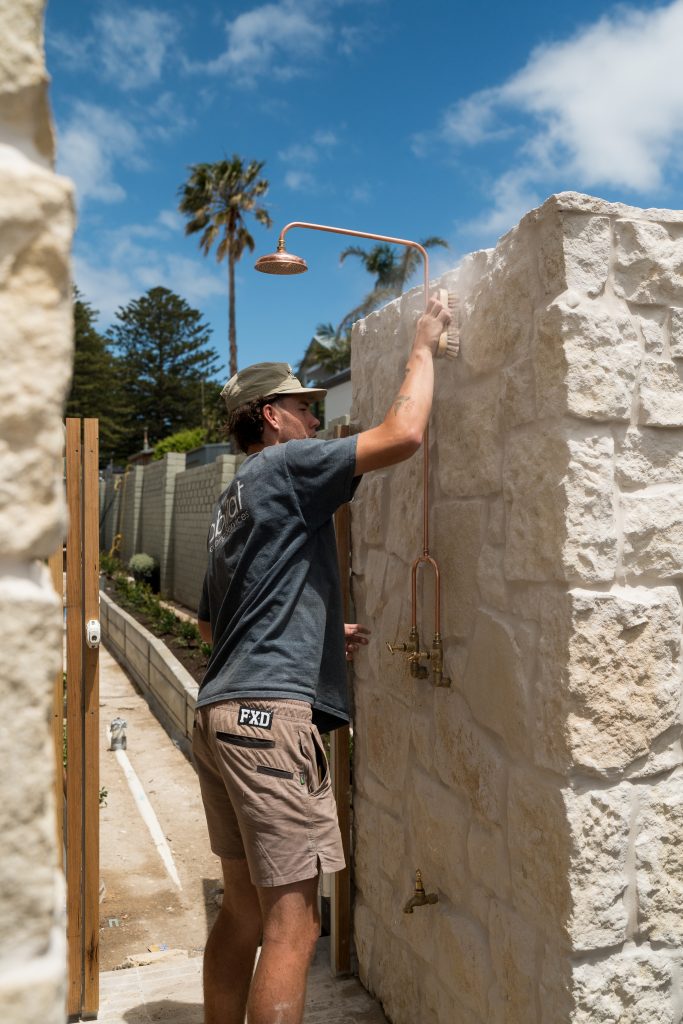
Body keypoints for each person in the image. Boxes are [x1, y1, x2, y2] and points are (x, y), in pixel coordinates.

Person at [193, 295, 451, 1024]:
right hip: (267, 723)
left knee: (243, 913)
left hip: (219, 715)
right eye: (303, 408)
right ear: (270, 416)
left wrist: (308, 634)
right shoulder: (287, 466)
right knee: (294, 927)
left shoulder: (232, 499)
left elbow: (215, 624)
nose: (314, 419)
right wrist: (423, 346)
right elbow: (402, 435)